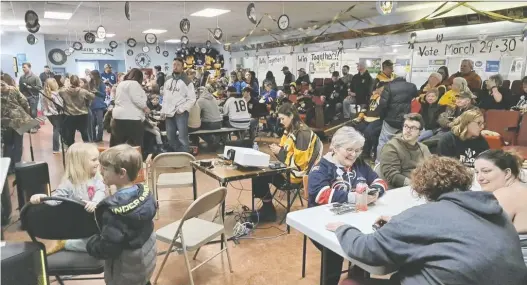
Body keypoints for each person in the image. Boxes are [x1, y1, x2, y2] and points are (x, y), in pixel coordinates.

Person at [328, 155, 527, 285]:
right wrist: (401, 223)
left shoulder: (423, 215)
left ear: (423, 189)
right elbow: (454, 230)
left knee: (351, 282)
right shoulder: (492, 209)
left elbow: (366, 250)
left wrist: (344, 228)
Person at [308, 126, 387, 285]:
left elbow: (379, 181)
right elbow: (320, 194)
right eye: (349, 149)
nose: (354, 154)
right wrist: (355, 197)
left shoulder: (359, 164)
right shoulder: (321, 167)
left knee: (367, 243)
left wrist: (375, 192)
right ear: (335, 147)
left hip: (355, 220)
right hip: (322, 224)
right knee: (333, 251)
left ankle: (358, 277)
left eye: (358, 150)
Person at [87, 144, 156, 285]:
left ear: (122, 173)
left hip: (125, 271)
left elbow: (109, 248)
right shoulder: (145, 193)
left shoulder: (113, 212)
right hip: (145, 260)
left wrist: (91, 244)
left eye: (105, 169)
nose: (100, 172)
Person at [29, 143, 106, 254]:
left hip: (94, 223)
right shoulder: (68, 183)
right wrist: (43, 197)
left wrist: (94, 202)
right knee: (101, 246)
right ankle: (66, 243)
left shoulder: (97, 178)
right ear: (80, 163)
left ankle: (68, 243)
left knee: (106, 242)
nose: (98, 163)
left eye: (98, 159)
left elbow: (101, 192)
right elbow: (55, 200)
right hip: (77, 224)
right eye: (94, 160)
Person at [252, 103, 323, 221]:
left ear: (291, 116)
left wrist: (279, 152)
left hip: (295, 176)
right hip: (287, 168)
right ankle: (267, 207)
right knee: (259, 170)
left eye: (282, 118)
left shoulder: (302, 133)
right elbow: (284, 147)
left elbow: (300, 165)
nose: (280, 121)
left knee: (259, 175)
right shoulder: (290, 130)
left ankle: (268, 210)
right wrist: (278, 149)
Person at [474, 150, 527, 265]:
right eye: (477, 172)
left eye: (486, 171)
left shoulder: (505, 195)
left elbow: (483, 238)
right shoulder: (522, 189)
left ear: (507, 173)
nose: (479, 178)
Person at [379, 113, 431, 189]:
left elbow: (431, 170)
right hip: (398, 190)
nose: (408, 131)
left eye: (413, 128)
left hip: (421, 188)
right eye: (406, 126)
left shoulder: (424, 148)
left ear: (420, 132)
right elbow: (392, 176)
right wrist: (415, 185)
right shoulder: (391, 147)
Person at [376, 77, 418, 160]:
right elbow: (415, 100)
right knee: (404, 142)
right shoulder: (412, 86)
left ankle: (379, 162)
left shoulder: (389, 86)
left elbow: (383, 104)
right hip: (405, 120)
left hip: (390, 120)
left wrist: (382, 117)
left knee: (383, 141)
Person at [161, 58, 196, 153]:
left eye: (178, 65)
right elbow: (165, 96)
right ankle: (178, 155)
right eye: (174, 65)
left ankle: (185, 158)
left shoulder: (187, 81)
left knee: (182, 138)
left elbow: (192, 99)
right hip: (168, 112)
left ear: (182, 67)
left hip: (181, 113)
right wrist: (163, 110)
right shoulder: (168, 79)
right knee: (170, 137)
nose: (175, 67)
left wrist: (182, 109)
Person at [1, 79, 33, 173]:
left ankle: (7, 168)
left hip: (5, 121)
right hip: (20, 119)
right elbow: (24, 101)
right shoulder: (13, 89)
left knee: (8, 145)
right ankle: (17, 166)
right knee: (18, 144)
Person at [111, 68, 149, 148]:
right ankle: (136, 160)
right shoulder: (134, 84)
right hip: (132, 118)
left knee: (118, 145)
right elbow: (136, 99)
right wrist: (145, 108)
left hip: (117, 117)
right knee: (136, 145)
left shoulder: (121, 84)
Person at [352, 82, 386, 160]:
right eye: (378, 89)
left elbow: (384, 111)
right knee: (357, 127)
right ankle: (364, 151)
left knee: (368, 131)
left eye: (381, 89)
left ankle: (373, 151)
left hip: (378, 119)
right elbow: (366, 107)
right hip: (367, 118)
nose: (378, 90)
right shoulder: (372, 97)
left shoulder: (384, 99)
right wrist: (360, 115)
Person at [59, 75, 95, 146]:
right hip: (82, 115)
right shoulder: (83, 91)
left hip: (70, 115)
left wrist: (65, 86)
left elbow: (58, 94)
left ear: (70, 82)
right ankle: (87, 149)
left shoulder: (63, 91)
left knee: (70, 134)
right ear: (78, 82)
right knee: (84, 133)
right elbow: (92, 97)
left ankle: (71, 149)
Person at [18, 62, 42, 132]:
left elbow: (40, 87)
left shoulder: (35, 77)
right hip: (25, 97)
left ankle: (35, 127)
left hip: (33, 96)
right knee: (26, 112)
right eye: (22, 67)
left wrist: (30, 87)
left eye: (24, 67)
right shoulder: (22, 77)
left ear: (29, 67)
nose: (23, 69)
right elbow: (20, 87)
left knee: (33, 112)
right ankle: (33, 125)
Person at [42, 78, 64, 153]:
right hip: (56, 114)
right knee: (57, 129)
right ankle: (56, 148)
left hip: (48, 114)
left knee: (55, 128)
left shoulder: (44, 94)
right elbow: (60, 105)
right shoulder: (55, 94)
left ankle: (58, 146)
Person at [89, 70, 108, 142]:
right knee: (92, 123)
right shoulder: (90, 83)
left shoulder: (101, 83)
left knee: (100, 123)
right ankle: (93, 137)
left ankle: (99, 137)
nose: (90, 76)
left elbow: (104, 95)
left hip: (99, 105)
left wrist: (97, 92)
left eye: (91, 75)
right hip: (91, 105)